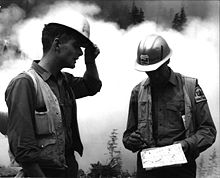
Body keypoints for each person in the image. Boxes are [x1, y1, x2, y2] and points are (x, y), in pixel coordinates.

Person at [5, 14, 102, 177]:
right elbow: (23, 151)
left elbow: (91, 86)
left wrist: (90, 61)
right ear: (57, 44)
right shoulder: (25, 84)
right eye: (76, 46)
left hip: (67, 169)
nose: (79, 52)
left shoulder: (65, 81)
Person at [122, 34, 216, 178]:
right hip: (148, 171)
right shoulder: (138, 92)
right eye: (148, 71)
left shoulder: (189, 88)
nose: (153, 75)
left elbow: (208, 131)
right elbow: (128, 136)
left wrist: (186, 145)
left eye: (157, 69)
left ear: (168, 61)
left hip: (181, 170)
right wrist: (131, 140)